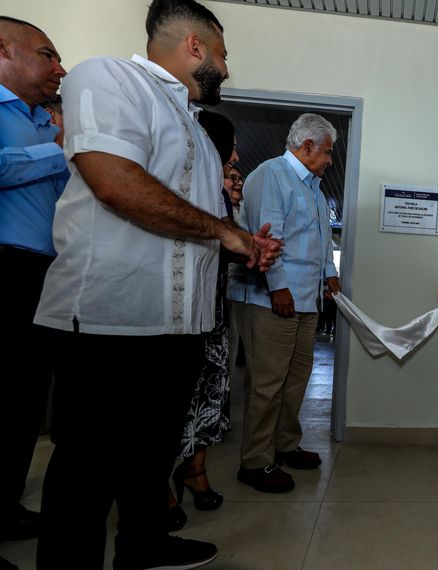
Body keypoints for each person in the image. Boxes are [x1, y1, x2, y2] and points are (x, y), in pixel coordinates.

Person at [32, 1, 280, 568]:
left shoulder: (194, 128)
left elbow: (196, 223)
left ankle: (144, 546)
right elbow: (116, 183)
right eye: (222, 54)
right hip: (110, 320)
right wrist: (225, 232)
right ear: (196, 46)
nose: (225, 67)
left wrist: (242, 242)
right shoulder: (109, 77)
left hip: (181, 326)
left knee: (151, 456)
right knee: (87, 470)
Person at [228, 113, 340, 493]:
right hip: (271, 298)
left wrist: (329, 274)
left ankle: (285, 445)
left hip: (307, 300)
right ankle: (255, 461)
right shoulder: (270, 176)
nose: (329, 160)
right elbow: (268, 239)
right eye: (327, 152)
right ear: (307, 146)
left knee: (296, 378)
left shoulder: (316, 191)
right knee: (267, 382)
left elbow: (321, 240)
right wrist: (278, 287)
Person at [0, 16, 67, 570]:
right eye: (47, 54)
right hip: (5, 269)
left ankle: (4, 507)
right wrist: (62, 150)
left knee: (22, 404)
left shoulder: (42, 122)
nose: (59, 68)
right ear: (4, 50)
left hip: (46, 274)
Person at [168, 110, 243, 530]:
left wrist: (252, 247)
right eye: (230, 146)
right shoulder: (178, 181)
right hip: (176, 307)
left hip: (211, 307)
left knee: (210, 389)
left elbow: (224, 242)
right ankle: (157, 484)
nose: (235, 156)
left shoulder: (219, 191)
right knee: (173, 397)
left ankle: (195, 470)